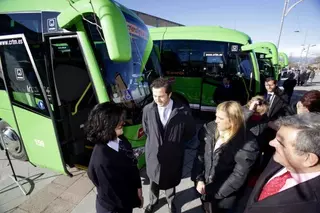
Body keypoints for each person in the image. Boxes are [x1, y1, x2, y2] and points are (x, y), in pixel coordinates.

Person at [244, 113, 320, 213]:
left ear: (309, 159)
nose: (271, 143)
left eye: (280, 142)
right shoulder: (279, 158)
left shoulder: (314, 206)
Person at [193, 101, 259, 213]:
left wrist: (217, 193)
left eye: (220, 118)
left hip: (223, 196)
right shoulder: (210, 129)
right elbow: (200, 155)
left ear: (232, 121)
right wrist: (199, 179)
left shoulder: (248, 144)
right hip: (205, 188)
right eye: (216, 116)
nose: (216, 120)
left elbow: (239, 175)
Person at [142, 78, 196, 213]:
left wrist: (175, 143)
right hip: (154, 154)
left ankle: (171, 202)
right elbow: (147, 129)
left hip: (173, 154)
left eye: (161, 96)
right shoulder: (148, 110)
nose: (157, 99)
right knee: (154, 180)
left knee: (170, 180)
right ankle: (153, 202)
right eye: (154, 96)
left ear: (170, 94)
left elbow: (190, 132)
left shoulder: (183, 111)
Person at [86, 103, 143, 213]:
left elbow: (132, 165)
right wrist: (135, 201)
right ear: (107, 126)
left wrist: (138, 188)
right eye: (119, 122)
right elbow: (114, 193)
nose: (123, 122)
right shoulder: (102, 160)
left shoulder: (121, 139)